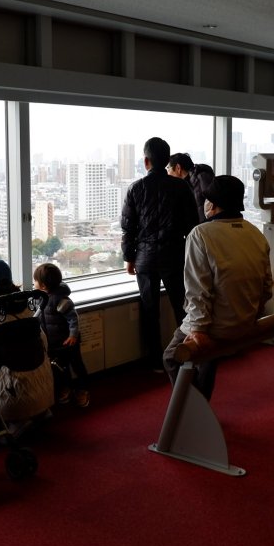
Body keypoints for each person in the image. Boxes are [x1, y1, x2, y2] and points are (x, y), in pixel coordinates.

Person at [162, 175, 272, 400]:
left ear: (211, 205)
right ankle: (201, 404)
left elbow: (197, 291)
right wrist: (252, 317)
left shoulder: (200, 234)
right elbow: (267, 287)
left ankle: (191, 410)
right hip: (246, 322)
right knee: (209, 357)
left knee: (171, 356)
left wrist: (198, 330)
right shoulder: (255, 234)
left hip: (217, 327)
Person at [121, 137, 200, 371]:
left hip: (145, 258)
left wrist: (129, 258)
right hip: (174, 255)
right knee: (182, 307)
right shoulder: (181, 187)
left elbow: (128, 227)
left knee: (149, 310)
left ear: (146, 161)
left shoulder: (135, 188)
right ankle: (186, 355)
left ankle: (155, 362)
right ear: (167, 161)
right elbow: (192, 225)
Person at [0, 259, 54, 433]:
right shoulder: (29, 314)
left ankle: (16, 423)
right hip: (46, 394)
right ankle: (39, 413)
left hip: (12, 402)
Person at [33, 262, 90, 408]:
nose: (34, 283)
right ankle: (67, 388)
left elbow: (73, 318)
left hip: (69, 342)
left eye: (35, 281)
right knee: (60, 368)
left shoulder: (60, 299)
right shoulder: (40, 298)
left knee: (77, 366)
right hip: (53, 344)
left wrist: (73, 335)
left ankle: (83, 389)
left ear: (44, 285)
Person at [167, 152, 216, 222]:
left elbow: (212, 205)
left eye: (168, 168)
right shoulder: (187, 183)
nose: (167, 173)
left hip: (206, 228)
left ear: (178, 168)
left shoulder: (202, 178)